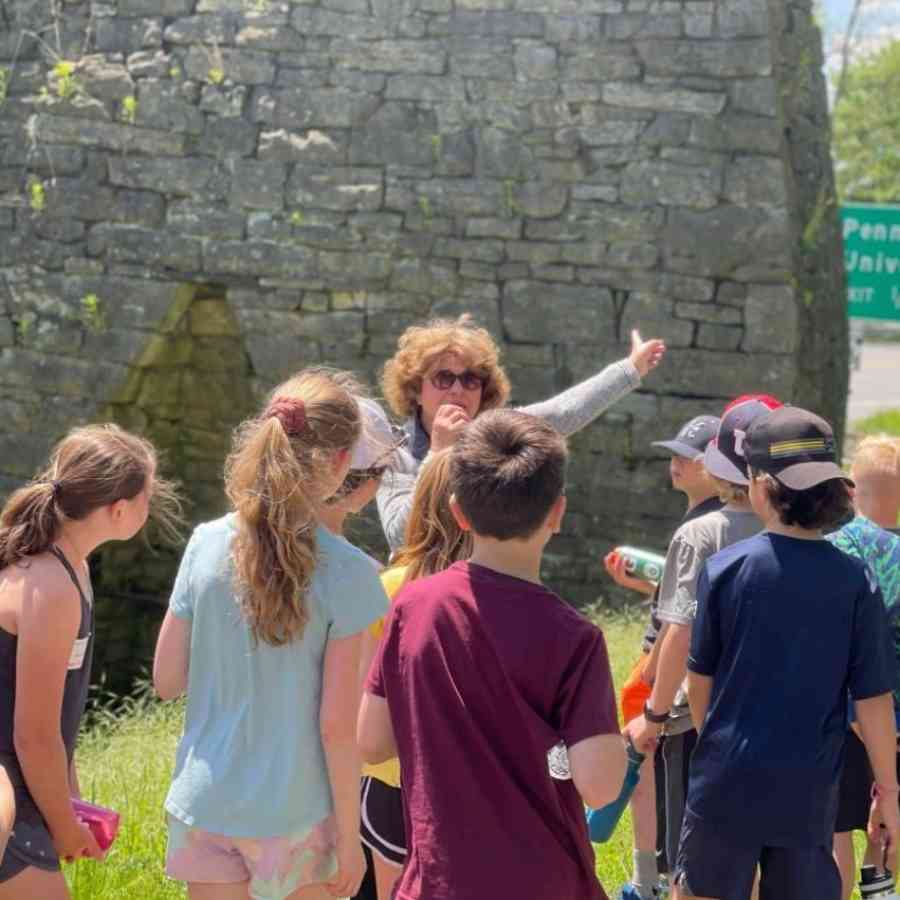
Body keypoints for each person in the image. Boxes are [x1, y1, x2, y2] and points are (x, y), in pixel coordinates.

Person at [358, 409, 628, 900]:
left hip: (439, 881)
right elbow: (601, 786)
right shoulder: (575, 638)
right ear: (557, 513)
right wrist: (551, 751)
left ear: (458, 512)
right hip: (545, 880)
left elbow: (372, 741)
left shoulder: (411, 607)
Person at [154, 369, 389, 900]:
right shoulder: (349, 573)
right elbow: (337, 727)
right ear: (338, 463)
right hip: (297, 813)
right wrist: (350, 842)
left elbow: (167, 679)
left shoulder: (204, 543)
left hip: (206, 802)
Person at [672, 406, 900, 900]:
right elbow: (874, 697)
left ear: (759, 485)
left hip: (727, 780)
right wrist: (890, 790)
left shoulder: (725, 570)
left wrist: (718, 756)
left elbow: (700, 685)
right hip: (808, 789)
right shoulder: (854, 580)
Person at [0, 424, 179, 899]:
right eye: (149, 494)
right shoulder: (52, 585)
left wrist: (71, 802)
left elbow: (59, 716)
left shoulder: (71, 566)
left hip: (24, 787)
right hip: (9, 795)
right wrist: (62, 824)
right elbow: (33, 732)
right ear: (119, 510)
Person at [625, 396, 780, 876]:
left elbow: (679, 629)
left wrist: (654, 712)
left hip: (698, 716)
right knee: (759, 854)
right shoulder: (796, 532)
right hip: (776, 714)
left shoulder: (700, 534)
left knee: (690, 862)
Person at [376, 314, 666, 550]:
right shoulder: (394, 451)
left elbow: (563, 413)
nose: (457, 389)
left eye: (470, 379)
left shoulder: (496, 433)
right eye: (443, 378)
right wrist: (438, 454)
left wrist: (631, 369)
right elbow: (399, 537)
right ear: (415, 389)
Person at [604, 414, 722, 900]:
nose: (675, 464)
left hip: (667, 675)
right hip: (667, 669)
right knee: (646, 775)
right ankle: (648, 876)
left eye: (688, 457)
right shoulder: (701, 521)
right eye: (674, 454)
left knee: (648, 774)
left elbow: (684, 621)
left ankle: (651, 879)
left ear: (715, 466)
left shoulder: (699, 528)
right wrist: (645, 586)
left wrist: (652, 674)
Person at [358, 449, 471, 900]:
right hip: (465, 781)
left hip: (389, 780)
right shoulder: (489, 590)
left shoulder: (387, 587)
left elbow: (363, 703)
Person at [828, 436, 900, 900]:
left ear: (851, 489)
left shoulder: (829, 550)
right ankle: (881, 890)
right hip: (894, 721)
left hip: (836, 717)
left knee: (832, 832)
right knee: (887, 819)